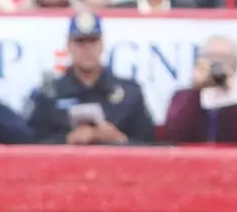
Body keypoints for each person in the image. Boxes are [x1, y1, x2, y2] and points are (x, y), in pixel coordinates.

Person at [26, 12, 156, 146]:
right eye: (80, 42)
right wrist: (67, 140)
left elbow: (151, 146)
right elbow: (31, 145)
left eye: (93, 41)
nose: (87, 49)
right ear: (69, 46)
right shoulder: (49, 94)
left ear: (102, 44)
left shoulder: (129, 93)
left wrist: (119, 140)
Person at [161, 34, 237, 144]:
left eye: (225, 59)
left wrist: (234, 100)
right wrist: (196, 91)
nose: (218, 65)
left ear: (236, 65)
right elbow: (174, 135)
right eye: (211, 58)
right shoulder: (183, 97)